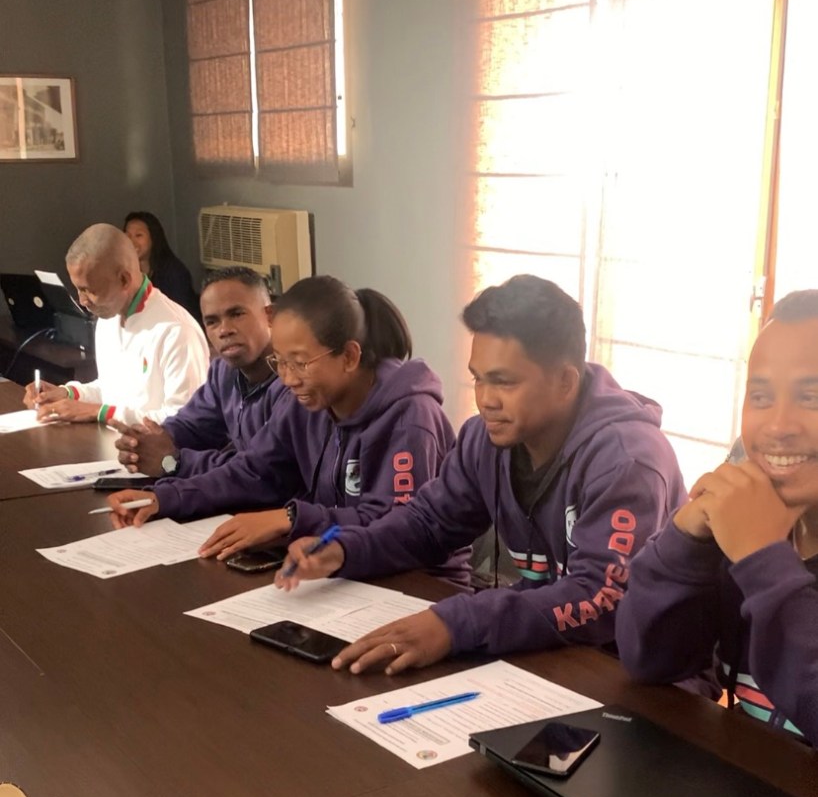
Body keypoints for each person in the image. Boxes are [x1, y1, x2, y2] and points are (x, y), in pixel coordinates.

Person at [275, 274, 686, 676]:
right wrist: (346, 550)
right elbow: (427, 524)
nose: (486, 399)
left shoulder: (627, 460)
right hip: (546, 652)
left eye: (504, 382)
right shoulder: (484, 439)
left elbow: (600, 598)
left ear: (565, 382)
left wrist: (458, 623)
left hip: (637, 675)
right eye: (478, 378)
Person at [106, 275, 467, 581]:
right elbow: (252, 471)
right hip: (334, 565)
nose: (289, 379)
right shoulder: (307, 403)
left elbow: (395, 524)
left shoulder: (410, 417)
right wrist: (166, 498)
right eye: (279, 362)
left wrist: (291, 518)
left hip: (420, 581)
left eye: (300, 363)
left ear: (349, 356)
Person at [616, 290, 818, 746]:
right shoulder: (748, 516)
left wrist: (762, 557)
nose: (777, 426)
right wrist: (685, 545)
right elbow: (650, 661)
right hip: (747, 779)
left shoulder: (756, 544)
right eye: (760, 397)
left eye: (811, 398)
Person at [23, 223, 209, 426]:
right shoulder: (108, 318)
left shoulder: (176, 331)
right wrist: (68, 393)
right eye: (78, 289)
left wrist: (98, 412)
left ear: (124, 280)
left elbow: (186, 421)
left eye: (89, 290)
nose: (82, 301)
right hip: (112, 441)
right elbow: (113, 391)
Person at [112, 266, 284, 479]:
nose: (224, 330)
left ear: (270, 316)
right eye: (212, 321)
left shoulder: (295, 383)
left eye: (237, 314)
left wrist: (171, 462)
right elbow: (192, 426)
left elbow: (259, 471)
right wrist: (146, 442)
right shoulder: (223, 372)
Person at [124, 211, 200, 321]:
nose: (131, 241)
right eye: (128, 235)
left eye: (138, 235)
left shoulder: (174, 273)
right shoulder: (124, 272)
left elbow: (180, 314)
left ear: (153, 237)